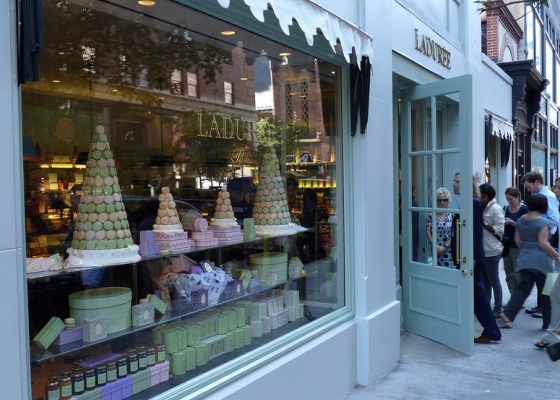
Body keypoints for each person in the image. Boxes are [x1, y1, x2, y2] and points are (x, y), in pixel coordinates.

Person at [451, 173, 502, 344]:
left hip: (470, 258)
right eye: (454, 181)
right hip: (465, 256)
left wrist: (470, 258)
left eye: (458, 182)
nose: (454, 184)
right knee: (476, 296)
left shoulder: (472, 202)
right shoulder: (466, 201)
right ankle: (490, 331)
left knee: (479, 297)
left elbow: (476, 232)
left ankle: (491, 331)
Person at [500, 193, 559, 331]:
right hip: (542, 262)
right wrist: (557, 256)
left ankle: (507, 314)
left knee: (522, 289)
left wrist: (526, 251)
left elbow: (517, 240)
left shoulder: (521, 220)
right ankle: (547, 324)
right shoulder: (542, 222)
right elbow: (543, 243)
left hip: (525, 259)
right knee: (546, 292)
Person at [521, 170, 559, 319]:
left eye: (529, 186)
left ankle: (546, 309)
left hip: (547, 238)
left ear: (536, 182)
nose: (528, 190)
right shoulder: (541, 196)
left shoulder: (547, 197)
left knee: (546, 276)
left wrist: (537, 225)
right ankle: (541, 306)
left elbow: (555, 219)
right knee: (539, 274)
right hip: (541, 238)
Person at [479, 183, 506, 320]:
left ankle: (498, 308)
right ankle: (487, 306)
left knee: (494, 280)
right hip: (483, 250)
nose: (480, 199)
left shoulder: (496, 209)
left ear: (489, 196)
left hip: (493, 250)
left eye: (483, 197)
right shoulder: (481, 207)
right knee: (485, 281)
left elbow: (500, 230)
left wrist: (483, 223)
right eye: (479, 196)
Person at [502, 187, 529, 297]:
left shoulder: (524, 209)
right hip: (506, 245)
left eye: (511, 199)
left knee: (518, 273)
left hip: (518, 245)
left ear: (518, 197)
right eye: (507, 199)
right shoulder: (505, 208)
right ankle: (513, 297)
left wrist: (512, 223)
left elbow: (527, 227)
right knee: (509, 273)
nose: (509, 201)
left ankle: (519, 298)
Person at [426, 187, 454, 267]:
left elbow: (455, 232)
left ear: (448, 201)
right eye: (439, 200)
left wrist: (445, 246)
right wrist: (436, 246)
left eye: (445, 200)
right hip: (435, 250)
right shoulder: (430, 215)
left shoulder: (452, 215)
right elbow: (428, 233)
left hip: (449, 251)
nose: (442, 202)